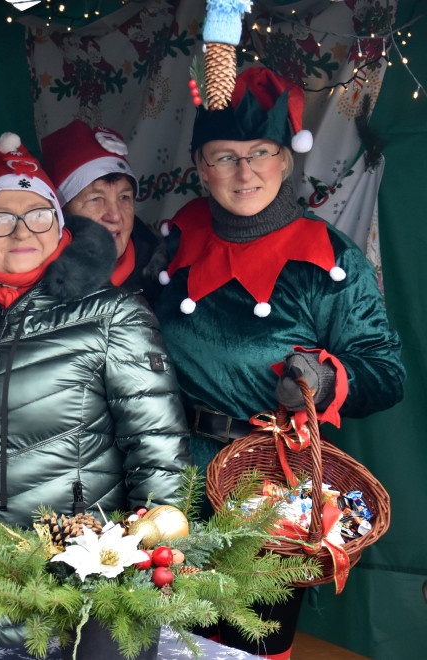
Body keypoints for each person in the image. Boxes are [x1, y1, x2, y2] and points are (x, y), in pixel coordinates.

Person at [154, 66, 405, 658]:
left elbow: (385, 372)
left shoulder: (328, 262)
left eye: (260, 152)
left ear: (286, 160)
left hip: (270, 490)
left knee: (251, 645)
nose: (244, 172)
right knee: (168, 640)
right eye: (224, 156)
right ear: (199, 167)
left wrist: (322, 378)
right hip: (170, 478)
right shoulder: (176, 242)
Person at [0, 132, 191, 648]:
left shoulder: (112, 316)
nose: (21, 230)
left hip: (76, 596)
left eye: (39, 213)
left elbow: (160, 461)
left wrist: (141, 590)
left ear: (61, 223)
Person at [41, 120, 166, 306]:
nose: (115, 216)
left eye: (124, 197)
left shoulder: (165, 281)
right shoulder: (33, 287)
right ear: (61, 213)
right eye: (95, 199)